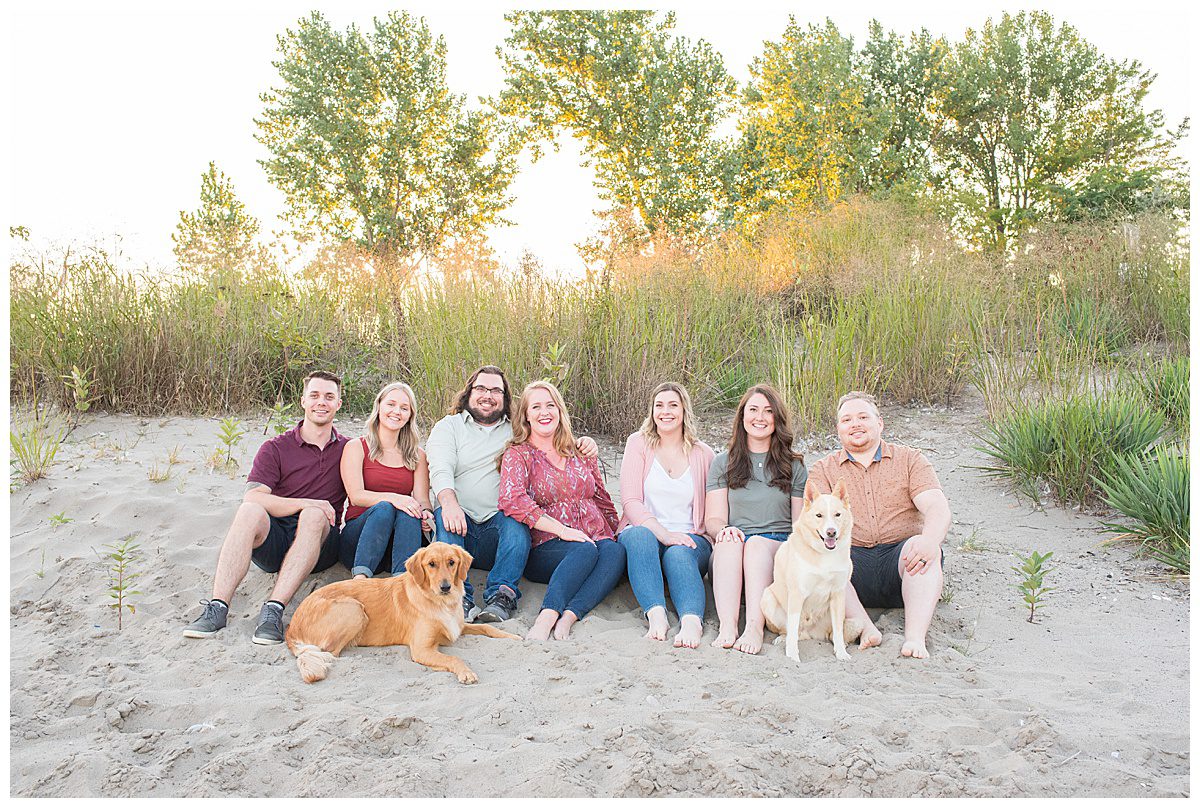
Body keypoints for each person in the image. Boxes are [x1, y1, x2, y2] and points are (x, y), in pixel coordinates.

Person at [183, 371, 349, 645]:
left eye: (329, 397)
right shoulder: (276, 447)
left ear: (338, 404)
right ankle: (218, 607)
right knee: (249, 510)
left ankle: (273, 610)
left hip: (320, 545)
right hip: (276, 541)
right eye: (315, 395)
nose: (322, 402)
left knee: (314, 515)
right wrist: (306, 502)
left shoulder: (348, 449)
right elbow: (254, 497)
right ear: (303, 401)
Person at [427, 366, 597, 623]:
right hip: (459, 520)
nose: (488, 395)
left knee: (516, 523)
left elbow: (550, 442)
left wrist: (583, 443)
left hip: (498, 527)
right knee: (445, 519)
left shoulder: (516, 431)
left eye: (496, 390)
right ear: (469, 392)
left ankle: (501, 595)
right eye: (481, 388)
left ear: (505, 398)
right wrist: (449, 503)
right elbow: (440, 469)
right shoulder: (448, 427)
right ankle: (460, 598)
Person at [807, 391, 951, 659]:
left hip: (900, 562)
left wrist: (930, 541)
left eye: (863, 417)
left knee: (921, 548)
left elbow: (936, 506)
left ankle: (915, 638)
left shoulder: (909, 459)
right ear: (838, 428)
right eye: (847, 419)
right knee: (822, 555)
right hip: (851, 568)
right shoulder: (823, 470)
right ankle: (866, 628)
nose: (855, 424)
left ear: (880, 423)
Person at [498, 381, 624, 641]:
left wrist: (617, 527)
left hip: (594, 536)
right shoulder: (519, 454)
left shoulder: (579, 451)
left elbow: (600, 495)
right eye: (536, 407)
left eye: (550, 405)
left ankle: (569, 616)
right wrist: (563, 530)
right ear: (526, 416)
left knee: (614, 550)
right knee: (584, 549)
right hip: (548, 545)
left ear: (559, 411)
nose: (544, 412)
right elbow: (512, 499)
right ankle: (547, 617)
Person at [705, 384, 807, 655]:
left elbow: (799, 526)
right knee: (728, 542)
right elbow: (713, 518)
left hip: (777, 547)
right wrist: (724, 530)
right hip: (735, 546)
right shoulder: (722, 462)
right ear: (742, 417)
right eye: (753, 410)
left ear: (777, 419)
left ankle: (753, 626)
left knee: (757, 546)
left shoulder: (793, 465)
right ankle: (727, 626)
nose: (760, 418)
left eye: (768, 411)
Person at [617, 382, 715, 649]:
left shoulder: (703, 454)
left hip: (690, 536)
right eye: (659, 405)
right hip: (647, 531)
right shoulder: (638, 444)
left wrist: (680, 537)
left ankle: (692, 621)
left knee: (679, 552)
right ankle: (656, 616)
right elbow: (631, 502)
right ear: (651, 410)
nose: (665, 411)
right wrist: (664, 533)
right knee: (638, 536)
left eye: (673, 405)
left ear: (684, 410)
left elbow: (716, 505)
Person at [338, 381, 433, 580]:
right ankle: (360, 581)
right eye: (391, 404)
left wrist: (426, 514)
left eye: (404, 408)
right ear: (379, 406)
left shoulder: (417, 456)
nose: (396, 411)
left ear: (410, 416)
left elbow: (423, 500)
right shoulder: (357, 447)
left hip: (396, 546)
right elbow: (356, 497)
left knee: (411, 511)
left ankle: (402, 581)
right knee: (386, 507)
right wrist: (396, 499)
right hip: (358, 542)